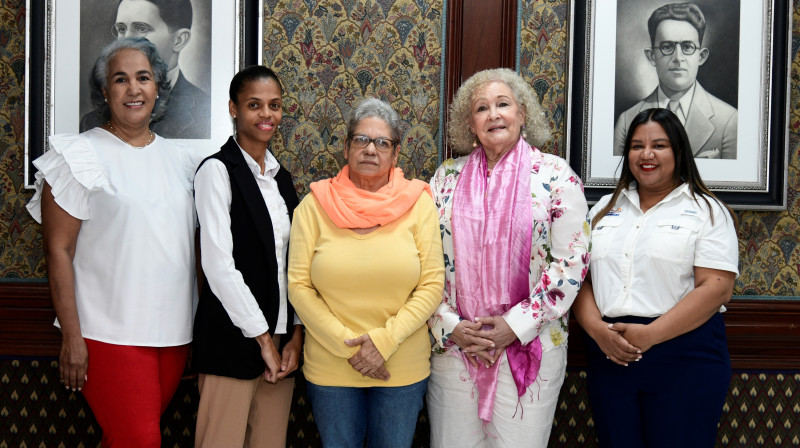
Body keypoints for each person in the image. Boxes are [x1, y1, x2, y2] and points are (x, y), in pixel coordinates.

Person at [26, 37, 199, 447]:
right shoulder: (77, 155)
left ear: (158, 86)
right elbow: (58, 252)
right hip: (106, 334)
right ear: (105, 91)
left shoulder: (183, 162)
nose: (133, 89)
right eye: (120, 79)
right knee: (140, 441)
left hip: (173, 335)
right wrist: (72, 337)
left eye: (143, 78)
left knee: (125, 438)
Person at [427, 68, 591, 447]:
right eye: (482, 108)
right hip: (456, 347)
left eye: (503, 104)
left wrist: (512, 325)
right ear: (470, 124)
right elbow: (422, 259)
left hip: (530, 345)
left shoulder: (555, 175)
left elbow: (571, 264)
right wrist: (450, 324)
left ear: (522, 114)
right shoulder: (445, 178)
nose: (494, 114)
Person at [574, 108, 738, 447]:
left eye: (659, 145)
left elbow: (717, 289)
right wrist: (597, 332)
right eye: (636, 146)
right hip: (611, 352)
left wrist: (650, 335)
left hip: (685, 355)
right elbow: (579, 279)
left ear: (678, 151)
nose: (646, 154)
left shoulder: (707, 209)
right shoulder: (604, 208)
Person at [288, 98, 444, 447]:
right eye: (361, 139)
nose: (370, 149)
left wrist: (383, 342)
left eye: (382, 142)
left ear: (395, 153)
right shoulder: (313, 205)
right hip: (332, 367)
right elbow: (298, 286)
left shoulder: (419, 203)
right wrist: (352, 350)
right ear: (346, 147)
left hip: (400, 367)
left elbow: (432, 284)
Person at [191, 65, 302, 448]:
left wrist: (295, 336)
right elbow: (218, 266)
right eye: (254, 105)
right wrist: (262, 339)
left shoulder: (281, 178)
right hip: (231, 344)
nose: (266, 114)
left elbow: (296, 265)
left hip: (282, 349)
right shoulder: (216, 172)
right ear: (233, 109)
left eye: (274, 105)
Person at [614, 2, 737, 159]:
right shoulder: (627, 121)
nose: (678, 58)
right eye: (667, 47)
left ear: (701, 56)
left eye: (687, 47)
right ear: (652, 56)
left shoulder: (729, 121)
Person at [80, 0, 210, 139]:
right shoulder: (92, 122)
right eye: (122, 29)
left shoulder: (207, 115)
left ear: (179, 40)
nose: (126, 41)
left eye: (141, 29)